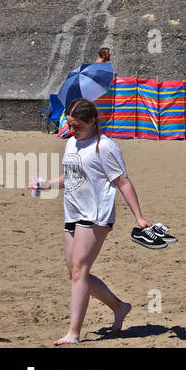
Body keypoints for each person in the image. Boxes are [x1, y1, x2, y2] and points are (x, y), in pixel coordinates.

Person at [33, 98, 156, 345]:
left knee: (79, 270)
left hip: (97, 215)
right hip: (73, 212)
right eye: (69, 124)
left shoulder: (105, 147)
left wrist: (139, 217)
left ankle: (73, 333)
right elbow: (71, 177)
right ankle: (119, 307)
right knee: (76, 273)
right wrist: (46, 184)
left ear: (92, 121)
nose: (72, 129)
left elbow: (122, 181)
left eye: (77, 125)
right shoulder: (70, 143)